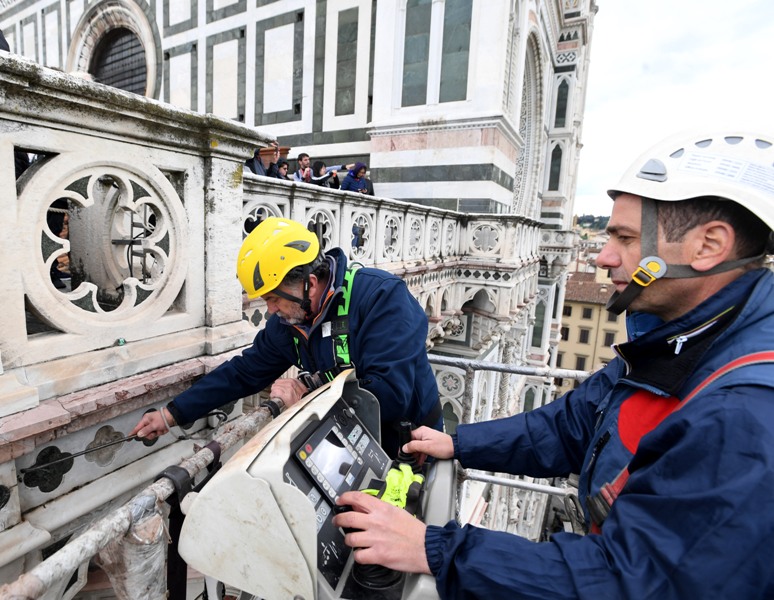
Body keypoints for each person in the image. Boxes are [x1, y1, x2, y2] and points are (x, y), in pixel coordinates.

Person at [333, 131, 774, 598]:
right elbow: (570, 426)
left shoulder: (745, 412)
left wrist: (435, 548)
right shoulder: (680, 341)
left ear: (708, 246)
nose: (604, 256)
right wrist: (458, 443)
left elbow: (633, 582)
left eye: (625, 238)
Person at [131, 217, 443, 456]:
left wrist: (307, 395)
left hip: (411, 443)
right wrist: (171, 414)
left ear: (310, 283)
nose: (270, 310)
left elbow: (390, 395)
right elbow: (244, 372)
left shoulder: (381, 298)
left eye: (274, 298)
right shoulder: (290, 322)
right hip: (348, 440)